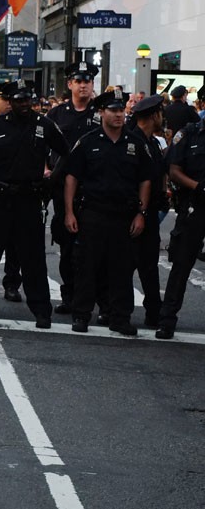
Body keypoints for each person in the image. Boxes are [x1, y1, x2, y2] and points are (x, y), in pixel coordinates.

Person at [0, 80, 68, 328]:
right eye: (18, 100)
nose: (24, 104)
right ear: (9, 102)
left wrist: (52, 179)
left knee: (33, 258)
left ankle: (42, 311)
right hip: (0, 198)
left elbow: (66, 152)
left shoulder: (44, 125)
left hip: (29, 199)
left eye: (27, 99)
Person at [64, 89, 152, 335]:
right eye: (113, 110)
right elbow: (72, 178)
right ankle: (81, 315)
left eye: (121, 110)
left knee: (122, 269)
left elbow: (146, 180)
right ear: (101, 112)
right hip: (93, 213)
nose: (118, 115)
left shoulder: (135, 143)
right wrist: (69, 212)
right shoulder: (88, 142)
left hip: (124, 215)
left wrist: (141, 213)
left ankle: (120, 317)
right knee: (86, 267)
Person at [46, 61, 101, 315]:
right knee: (67, 245)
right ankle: (69, 295)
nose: (83, 85)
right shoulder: (57, 114)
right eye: (78, 81)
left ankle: (96, 298)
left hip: (93, 187)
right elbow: (41, 145)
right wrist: (45, 169)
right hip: (61, 186)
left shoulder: (101, 113)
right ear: (69, 84)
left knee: (95, 246)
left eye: (87, 81)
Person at [156, 88, 205, 339]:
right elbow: (174, 170)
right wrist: (198, 187)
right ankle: (167, 320)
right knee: (181, 265)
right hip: (195, 205)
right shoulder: (189, 134)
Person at [127, 94, 168, 326]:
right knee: (126, 264)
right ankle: (116, 309)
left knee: (149, 265)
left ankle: (153, 312)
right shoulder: (132, 142)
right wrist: (139, 212)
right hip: (133, 212)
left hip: (150, 212)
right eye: (160, 113)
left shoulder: (153, 143)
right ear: (153, 116)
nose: (163, 117)